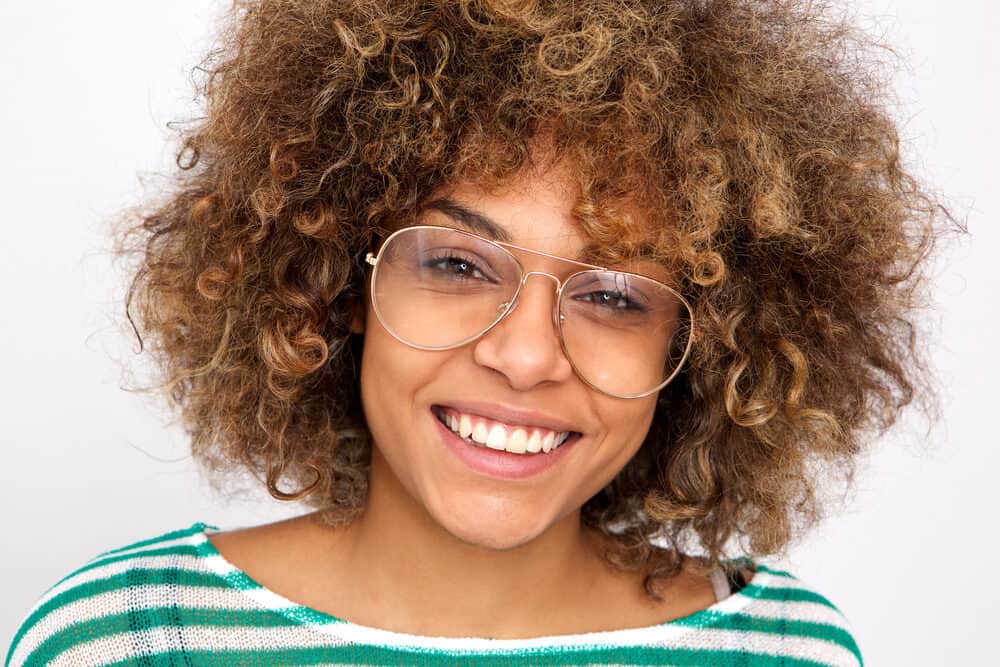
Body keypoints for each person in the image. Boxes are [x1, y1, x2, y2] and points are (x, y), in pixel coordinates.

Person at [6, 0, 957, 665]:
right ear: (339, 284)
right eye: (458, 264)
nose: (527, 354)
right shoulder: (120, 640)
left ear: (695, 351)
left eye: (616, 295)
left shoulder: (784, 650)